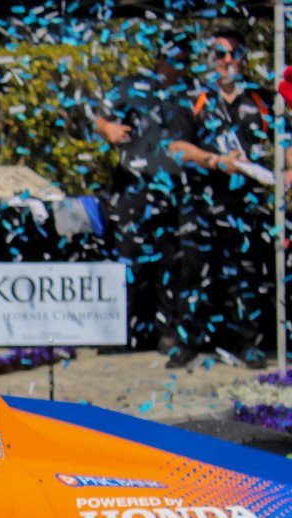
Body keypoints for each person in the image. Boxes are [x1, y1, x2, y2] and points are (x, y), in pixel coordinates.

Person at [169, 27, 292, 369]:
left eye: (234, 53)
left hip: (247, 201)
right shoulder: (192, 96)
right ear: (209, 58)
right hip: (201, 199)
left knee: (248, 273)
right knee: (195, 272)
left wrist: (287, 173)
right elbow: (177, 146)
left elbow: (285, 143)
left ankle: (250, 343)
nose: (227, 60)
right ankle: (187, 343)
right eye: (220, 54)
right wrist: (214, 160)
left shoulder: (262, 99)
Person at [92, 29, 196, 355]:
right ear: (160, 58)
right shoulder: (132, 85)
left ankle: (168, 333)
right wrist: (109, 128)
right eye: (172, 59)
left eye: (184, 60)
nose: (177, 66)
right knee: (129, 258)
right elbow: (100, 118)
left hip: (174, 186)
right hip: (133, 184)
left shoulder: (193, 92)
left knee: (170, 260)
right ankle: (121, 333)